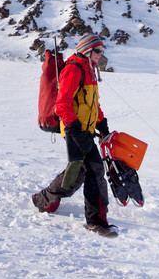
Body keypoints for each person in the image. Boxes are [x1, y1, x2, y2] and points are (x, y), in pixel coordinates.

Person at [32, 33, 118, 237]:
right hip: (74, 129)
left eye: (101, 50)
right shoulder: (74, 69)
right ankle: (96, 221)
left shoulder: (90, 70)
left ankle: (44, 199)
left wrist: (101, 123)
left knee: (79, 171)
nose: (100, 54)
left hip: (83, 129)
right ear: (87, 50)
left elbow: (92, 103)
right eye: (97, 50)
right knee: (95, 170)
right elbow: (62, 104)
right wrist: (73, 130)